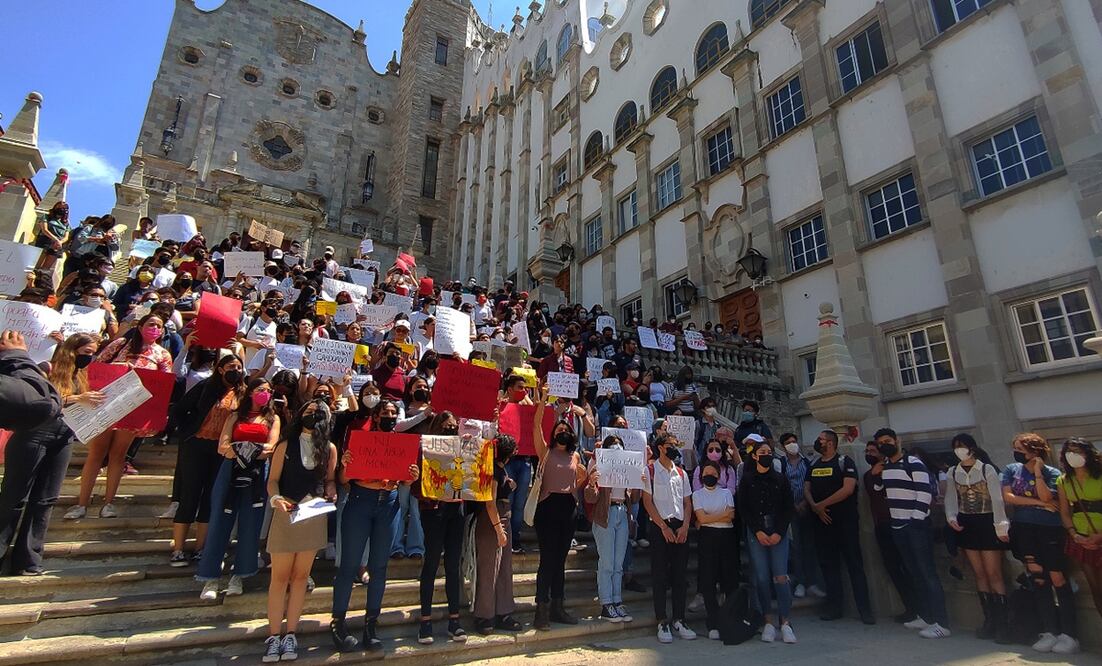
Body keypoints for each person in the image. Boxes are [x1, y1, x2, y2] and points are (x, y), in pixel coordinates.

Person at [0, 333, 98, 575]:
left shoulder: (81, 375)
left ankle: (29, 560)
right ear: (72, 350)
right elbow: (41, 400)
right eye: (86, 352)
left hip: (63, 437)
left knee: (45, 499)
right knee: (14, 496)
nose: (90, 357)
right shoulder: (47, 368)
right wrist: (77, 398)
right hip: (33, 435)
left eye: (93, 353)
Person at [330, 399, 419, 652]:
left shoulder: (402, 446)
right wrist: (346, 465)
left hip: (388, 504)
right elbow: (343, 480)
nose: (390, 416)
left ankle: (371, 624)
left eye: (394, 413)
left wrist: (411, 477)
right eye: (385, 413)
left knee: (379, 567)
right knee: (349, 565)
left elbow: (404, 484)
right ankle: (338, 622)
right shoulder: (361, 440)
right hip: (360, 501)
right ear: (377, 416)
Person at [64, 314, 173, 520]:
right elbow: (95, 366)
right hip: (107, 404)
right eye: (151, 324)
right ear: (140, 326)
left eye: (159, 326)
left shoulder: (162, 354)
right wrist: (123, 369)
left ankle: (108, 503)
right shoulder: (121, 344)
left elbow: (165, 382)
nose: (155, 328)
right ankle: (82, 503)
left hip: (134, 409)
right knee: (96, 453)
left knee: (118, 456)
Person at [263, 400, 337, 662]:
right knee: (280, 578)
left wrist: (331, 492)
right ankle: (273, 636)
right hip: (287, 513)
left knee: (300, 577)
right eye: (308, 411)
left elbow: (328, 481)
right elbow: (272, 480)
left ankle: (291, 633)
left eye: (319, 413)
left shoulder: (329, 449)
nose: (313, 416)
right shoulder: (286, 445)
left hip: (313, 515)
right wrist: (276, 499)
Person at [197, 378, 281, 600]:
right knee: (219, 521)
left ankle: (239, 575)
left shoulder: (273, 418)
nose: (265, 393)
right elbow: (223, 446)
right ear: (251, 392)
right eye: (261, 390)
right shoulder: (235, 416)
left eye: (269, 391)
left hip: (256, 473)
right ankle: (210, 578)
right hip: (230, 471)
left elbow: (270, 448)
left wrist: (243, 450)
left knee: (251, 523)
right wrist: (250, 451)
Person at [164, 354, 246, 565]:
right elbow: (179, 410)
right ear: (220, 369)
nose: (235, 370)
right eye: (231, 366)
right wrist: (185, 433)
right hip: (196, 445)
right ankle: (178, 549)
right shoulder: (205, 387)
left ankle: (201, 547)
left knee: (210, 499)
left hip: (221, 450)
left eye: (239, 366)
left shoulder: (243, 393)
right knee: (189, 495)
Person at [1002, 432, 1078, 654]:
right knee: (1037, 576)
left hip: (1050, 529)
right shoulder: (1010, 471)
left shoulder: (1052, 473)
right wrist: (1035, 501)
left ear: (1035, 451)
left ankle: (1069, 633)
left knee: (1057, 576)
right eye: (1015, 448)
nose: (1017, 453)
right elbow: (1010, 497)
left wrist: (1037, 473)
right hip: (1024, 527)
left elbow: (1049, 499)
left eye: (1021, 449)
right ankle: (1049, 630)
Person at [873, 428, 950, 639]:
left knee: (927, 573)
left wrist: (916, 519)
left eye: (887, 441)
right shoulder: (887, 465)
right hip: (897, 524)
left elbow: (925, 492)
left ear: (897, 440)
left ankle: (941, 622)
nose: (884, 445)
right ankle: (925, 615)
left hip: (915, 525)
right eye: (880, 443)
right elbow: (883, 489)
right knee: (913, 572)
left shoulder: (914, 463)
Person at [530, 383, 588, 630]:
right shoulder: (545, 451)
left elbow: (578, 482)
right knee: (547, 560)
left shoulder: (575, 457)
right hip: (547, 508)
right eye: (559, 429)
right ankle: (541, 609)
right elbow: (535, 425)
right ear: (553, 433)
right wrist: (543, 397)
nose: (562, 432)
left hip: (568, 508)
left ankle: (558, 606)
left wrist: (586, 479)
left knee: (561, 560)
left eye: (565, 429)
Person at [943, 433, 1010, 642]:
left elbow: (997, 500)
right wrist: (951, 516)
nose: (959, 450)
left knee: (994, 573)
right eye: (956, 447)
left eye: (962, 446)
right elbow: (951, 498)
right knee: (979, 573)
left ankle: (1003, 622)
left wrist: (1001, 526)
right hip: (967, 522)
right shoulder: (952, 472)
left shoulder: (986, 468)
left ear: (972, 447)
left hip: (987, 521)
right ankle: (989, 619)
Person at [804, 430, 873, 624]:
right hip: (822, 523)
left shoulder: (844, 462)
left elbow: (848, 489)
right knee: (829, 566)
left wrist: (822, 504)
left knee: (854, 565)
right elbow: (806, 487)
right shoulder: (814, 464)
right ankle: (835, 606)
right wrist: (815, 507)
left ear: (831, 443)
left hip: (845, 522)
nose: (818, 442)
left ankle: (864, 609)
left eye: (821, 440)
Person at [416, 412, 468, 645]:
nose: (450, 429)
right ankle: (425, 621)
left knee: (453, 566)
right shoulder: (425, 449)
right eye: (446, 426)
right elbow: (418, 484)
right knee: (431, 563)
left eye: (453, 426)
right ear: (437, 427)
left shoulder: (463, 449)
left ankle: (454, 620)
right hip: (433, 510)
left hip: (456, 511)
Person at [739, 437, 796, 644]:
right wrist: (758, 531)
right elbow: (743, 508)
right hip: (757, 531)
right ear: (754, 456)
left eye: (768, 453)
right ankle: (768, 621)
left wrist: (779, 532)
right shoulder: (747, 479)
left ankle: (786, 622)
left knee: (780, 576)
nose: (766, 456)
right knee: (762, 578)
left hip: (778, 530)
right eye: (762, 453)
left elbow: (788, 507)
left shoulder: (781, 479)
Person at [642, 433, 696, 644]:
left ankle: (679, 618)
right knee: (660, 575)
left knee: (680, 575)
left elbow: (687, 503)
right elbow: (648, 502)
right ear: (660, 448)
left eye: (676, 445)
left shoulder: (681, 473)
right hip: (660, 526)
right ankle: (662, 619)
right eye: (670, 445)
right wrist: (663, 526)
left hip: (680, 526)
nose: (674, 448)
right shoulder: (651, 470)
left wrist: (684, 526)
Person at [863, 442, 919, 624]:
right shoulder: (869, 475)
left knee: (910, 567)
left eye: (872, 451)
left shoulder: (897, 469)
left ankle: (920, 608)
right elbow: (873, 492)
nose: (869, 454)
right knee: (893, 568)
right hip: (882, 525)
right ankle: (910, 607)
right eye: (867, 451)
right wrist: (874, 475)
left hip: (902, 523)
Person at [472, 434, 523, 635]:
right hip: (493, 520)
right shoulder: (492, 470)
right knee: (488, 569)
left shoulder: (500, 468)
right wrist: (498, 529)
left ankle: (503, 611)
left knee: (503, 568)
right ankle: (484, 615)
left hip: (503, 517)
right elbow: (490, 502)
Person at [585, 434, 637, 624]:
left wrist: (638, 481)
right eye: (613, 445)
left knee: (618, 562)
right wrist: (591, 483)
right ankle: (606, 603)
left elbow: (635, 498)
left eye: (620, 445)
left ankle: (617, 600)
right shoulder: (598, 466)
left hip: (622, 512)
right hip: (605, 516)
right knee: (607, 562)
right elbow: (590, 498)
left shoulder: (627, 469)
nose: (617, 448)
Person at [1057, 437, 1102, 623]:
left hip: (1099, 533)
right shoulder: (1064, 480)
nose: (1073, 456)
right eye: (1069, 452)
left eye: (1077, 451)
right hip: (1081, 537)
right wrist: (1074, 534)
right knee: (1096, 588)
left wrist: (1099, 536)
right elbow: (1065, 511)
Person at [693, 460, 736, 640]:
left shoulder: (726, 492)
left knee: (729, 579)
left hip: (727, 537)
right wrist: (717, 517)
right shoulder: (697, 494)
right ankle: (713, 620)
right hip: (707, 539)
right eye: (705, 473)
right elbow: (701, 518)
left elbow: (731, 515)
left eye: (712, 473)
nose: (708, 476)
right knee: (708, 581)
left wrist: (707, 518)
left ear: (718, 476)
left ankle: (731, 618)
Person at [778, 432, 821, 599]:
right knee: (795, 547)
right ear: (783, 446)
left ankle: (812, 582)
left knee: (810, 546)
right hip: (790, 510)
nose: (792, 444)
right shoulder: (781, 464)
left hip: (807, 507)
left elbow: (811, 484)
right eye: (788, 442)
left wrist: (805, 502)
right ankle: (800, 582)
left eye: (794, 441)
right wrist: (792, 506)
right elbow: (781, 486)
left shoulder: (807, 463)